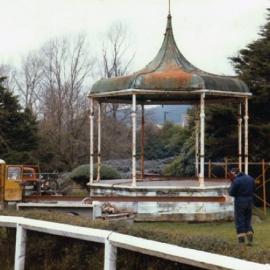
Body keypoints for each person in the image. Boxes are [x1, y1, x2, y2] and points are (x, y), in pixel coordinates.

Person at [228, 168, 255, 245]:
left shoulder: (236, 180)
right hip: (250, 201)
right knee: (248, 219)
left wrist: (230, 187)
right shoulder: (250, 178)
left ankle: (241, 241)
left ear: (234, 173)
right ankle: (250, 239)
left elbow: (231, 193)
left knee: (240, 219)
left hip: (240, 201)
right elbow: (254, 189)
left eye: (232, 174)